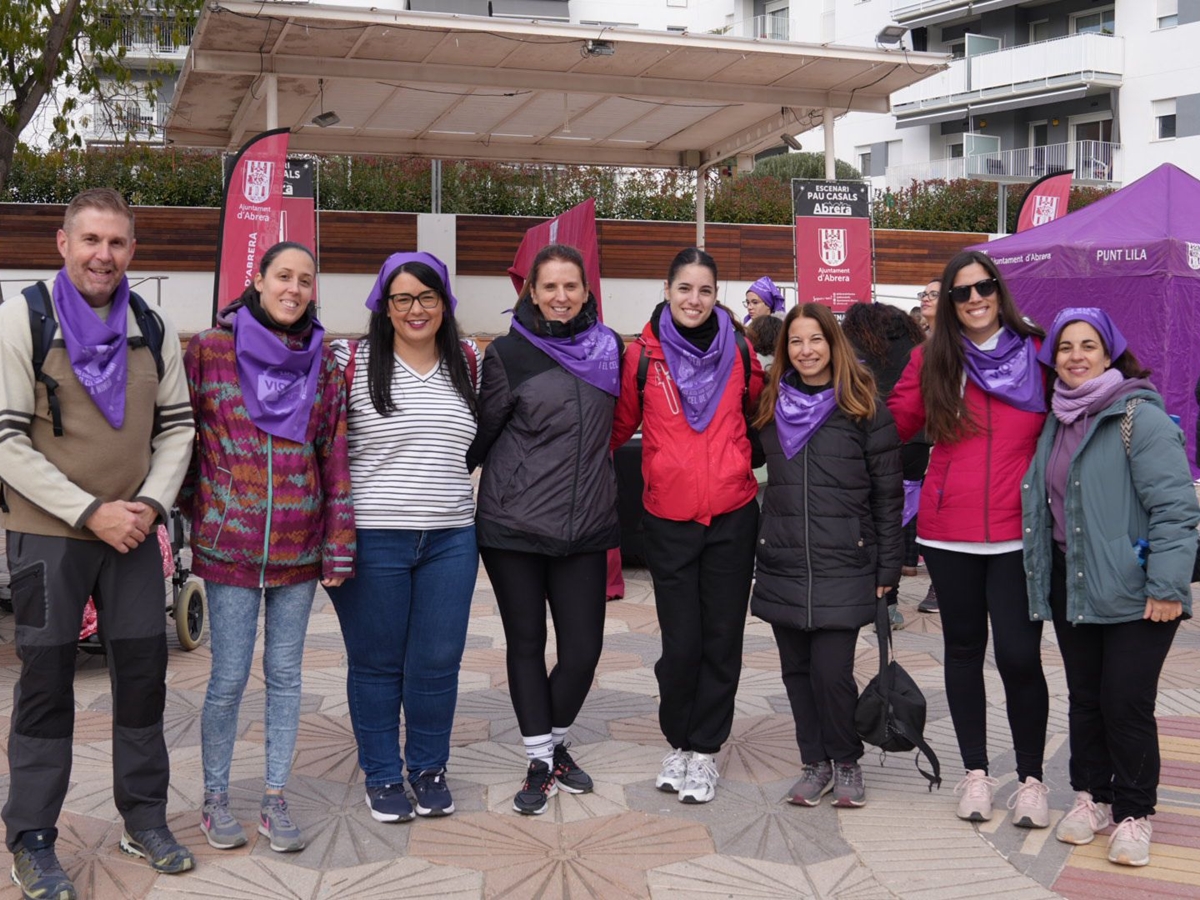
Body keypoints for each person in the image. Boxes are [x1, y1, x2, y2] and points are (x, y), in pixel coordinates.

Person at [0, 188, 196, 899]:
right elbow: (5, 441)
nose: (102, 255)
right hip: (50, 536)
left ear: (132, 252)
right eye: (90, 240)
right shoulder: (21, 320)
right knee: (47, 688)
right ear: (63, 243)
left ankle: (143, 818)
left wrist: (145, 505)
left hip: (135, 537)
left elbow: (177, 427)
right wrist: (92, 513)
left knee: (144, 681)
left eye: (116, 243)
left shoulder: (152, 326)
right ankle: (32, 839)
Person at [184, 241, 355, 853]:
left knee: (285, 676)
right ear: (257, 280)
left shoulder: (325, 363)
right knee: (227, 679)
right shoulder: (210, 350)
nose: (294, 289)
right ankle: (215, 797)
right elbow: (184, 439)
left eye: (306, 280)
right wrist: (195, 513)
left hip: (300, 547)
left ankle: (275, 799)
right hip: (229, 544)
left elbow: (334, 455)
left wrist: (338, 541)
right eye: (283, 276)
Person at [1022, 308, 1199, 867]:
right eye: (1066, 347)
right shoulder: (1056, 419)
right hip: (1075, 586)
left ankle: (1134, 812)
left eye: (1089, 346)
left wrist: (1168, 586)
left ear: (1110, 353)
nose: (1076, 356)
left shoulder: (1137, 417)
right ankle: (1092, 797)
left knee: (1126, 703)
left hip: (1138, 591)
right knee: (1087, 700)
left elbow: (1175, 509)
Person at [887, 250, 1051, 828]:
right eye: (961, 292)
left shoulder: (1038, 352)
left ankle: (1031, 780)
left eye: (983, 287)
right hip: (949, 533)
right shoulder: (932, 357)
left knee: (1018, 656)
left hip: (1017, 532)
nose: (975, 298)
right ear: (949, 303)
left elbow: (1081, 407)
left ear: (998, 290)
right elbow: (892, 423)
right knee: (963, 653)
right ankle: (976, 773)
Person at [469, 243, 622, 815]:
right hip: (513, 525)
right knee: (527, 644)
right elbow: (483, 433)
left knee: (583, 649)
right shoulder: (509, 353)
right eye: (549, 286)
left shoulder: (610, 350)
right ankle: (541, 758)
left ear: (587, 292)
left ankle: (552, 743)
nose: (561, 297)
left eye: (571, 286)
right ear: (531, 291)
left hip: (585, 522)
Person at [326, 252, 480, 823]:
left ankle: (428, 767)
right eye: (403, 299)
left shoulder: (470, 361)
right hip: (373, 537)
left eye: (427, 297)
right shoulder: (350, 361)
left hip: (451, 537)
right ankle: (384, 774)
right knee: (376, 664)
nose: (416, 309)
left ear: (445, 303)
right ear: (384, 306)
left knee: (438, 661)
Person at [612, 247, 764, 804]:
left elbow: (761, 413)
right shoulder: (642, 357)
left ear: (716, 295)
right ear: (667, 291)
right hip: (667, 517)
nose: (694, 300)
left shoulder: (742, 351)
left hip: (732, 512)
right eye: (684, 289)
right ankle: (678, 740)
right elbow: (618, 424)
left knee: (723, 639)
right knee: (681, 643)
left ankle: (705, 750)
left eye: (704, 290)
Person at [753, 303, 902, 809]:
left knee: (831, 672)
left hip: (845, 562)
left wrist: (888, 567)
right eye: (795, 341)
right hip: (784, 561)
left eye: (815, 339)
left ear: (832, 343)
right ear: (784, 349)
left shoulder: (862, 403)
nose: (806, 350)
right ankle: (813, 763)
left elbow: (888, 494)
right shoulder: (771, 405)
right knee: (796, 672)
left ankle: (846, 760)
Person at [841, 303, 927, 630]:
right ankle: (889, 604)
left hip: (871, 437)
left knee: (866, 516)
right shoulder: (913, 341)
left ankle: (864, 592)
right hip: (914, 441)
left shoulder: (853, 340)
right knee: (897, 517)